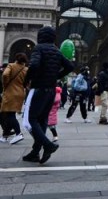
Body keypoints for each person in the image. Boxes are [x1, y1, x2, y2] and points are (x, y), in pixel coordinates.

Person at [22, 26, 74, 164]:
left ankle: (48, 145)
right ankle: (35, 152)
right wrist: (56, 76)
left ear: (41, 36)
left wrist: (26, 80)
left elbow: (33, 66)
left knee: (31, 119)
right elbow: (69, 66)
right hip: (51, 90)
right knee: (43, 120)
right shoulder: (56, 50)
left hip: (39, 88)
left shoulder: (39, 48)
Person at [0, 53, 28, 145]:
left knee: (10, 114)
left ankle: (18, 133)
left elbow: (5, 74)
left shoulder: (11, 66)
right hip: (20, 93)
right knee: (9, 114)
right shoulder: (25, 69)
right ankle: (5, 135)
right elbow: (28, 83)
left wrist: (5, 84)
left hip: (10, 93)